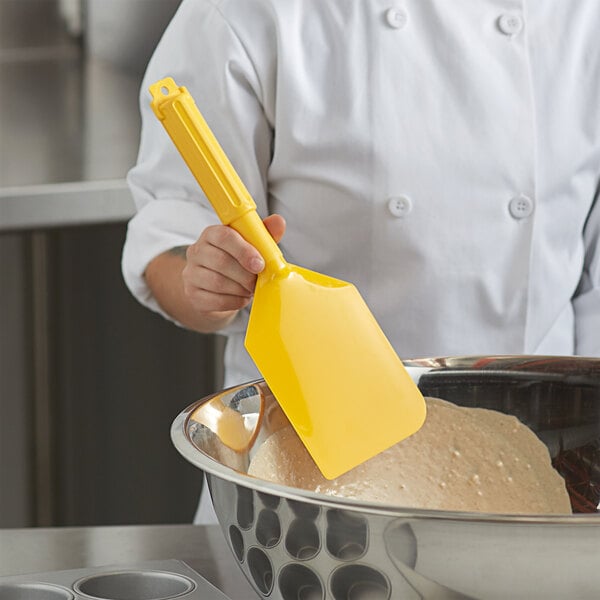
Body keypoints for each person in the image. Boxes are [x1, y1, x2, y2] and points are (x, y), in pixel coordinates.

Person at [122, 0, 600, 523]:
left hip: (552, 482)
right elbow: (171, 234)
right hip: (303, 494)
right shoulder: (252, 11)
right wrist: (210, 281)